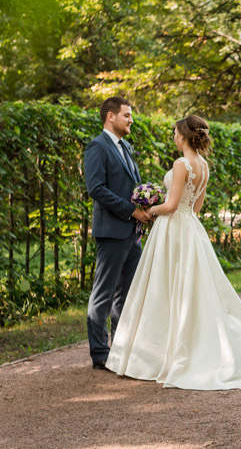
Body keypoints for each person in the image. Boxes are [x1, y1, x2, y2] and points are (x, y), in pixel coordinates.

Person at [104, 115, 241, 389]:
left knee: (165, 286)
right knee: (190, 288)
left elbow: (172, 205)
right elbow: (195, 208)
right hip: (191, 229)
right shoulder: (204, 165)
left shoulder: (181, 163)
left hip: (173, 229)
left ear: (184, 136)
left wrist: (150, 209)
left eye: (175, 133)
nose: (173, 137)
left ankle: (158, 354)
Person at [84, 96, 152, 370]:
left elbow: (130, 187)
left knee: (126, 295)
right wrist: (131, 211)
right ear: (111, 116)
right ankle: (100, 353)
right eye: (127, 115)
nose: (131, 119)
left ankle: (121, 349)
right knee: (104, 294)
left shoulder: (126, 147)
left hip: (131, 232)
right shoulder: (97, 146)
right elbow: (96, 189)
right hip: (112, 231)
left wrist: (146, 208)